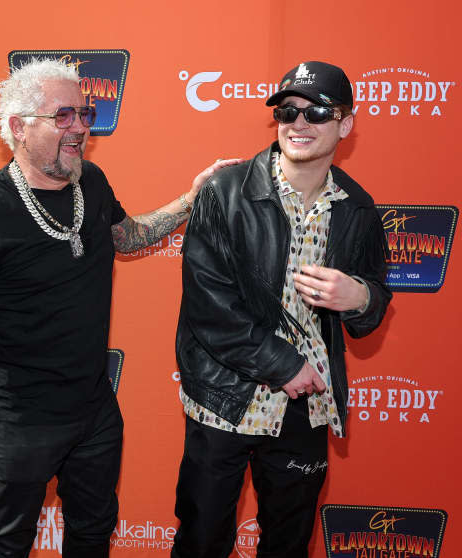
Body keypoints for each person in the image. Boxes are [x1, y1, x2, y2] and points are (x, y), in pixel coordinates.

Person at [0, 57, 239, 558]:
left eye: (85, 114)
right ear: (19, 127)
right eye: (64, 116)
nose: (81, 128)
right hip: (20, 416)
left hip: (94, 409)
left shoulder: (90, 182)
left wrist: (192, 198)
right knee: (8, 542)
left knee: (93, 533)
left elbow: (128, 236)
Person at [172, 61, 392, 558]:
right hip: (223, 400)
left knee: (288, 545)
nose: (299, 123)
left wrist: (358, 298)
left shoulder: (358, 209)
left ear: (346, 124)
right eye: (287, 111)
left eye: (317, 111)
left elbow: (374, 303)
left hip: (305, 409)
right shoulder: (225, 193)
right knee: (201, 542)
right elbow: (209, 306)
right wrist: (283, 364)